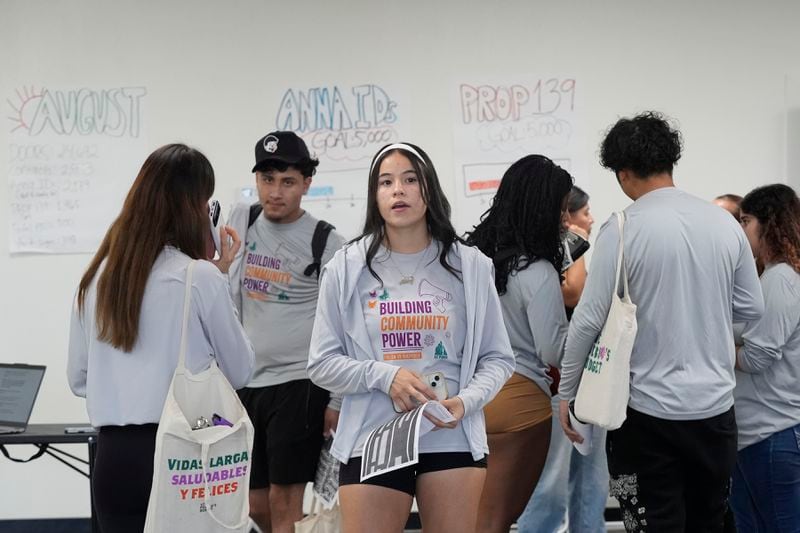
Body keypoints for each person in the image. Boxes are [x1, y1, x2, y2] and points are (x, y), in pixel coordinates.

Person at [558, 112, 764, 532]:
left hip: (646, 417)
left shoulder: (622, 228)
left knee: (648, 525)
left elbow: (588, 320)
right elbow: (751, 309)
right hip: (716, 414)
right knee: (709, 523)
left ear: (624, 173)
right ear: (671, 161)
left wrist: (567, 392)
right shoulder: (725, 224)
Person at [308, 142, 515, 533]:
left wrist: (465, 403)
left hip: (450, 438)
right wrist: (385, 376)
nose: (397, 190)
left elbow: (498, 359)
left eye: (409, 180)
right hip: (372, 438)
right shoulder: (346, 268)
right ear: (375, 196)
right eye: (386, 182)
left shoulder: (469, 265)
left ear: (429, 190)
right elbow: (321, 363)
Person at [67, 143, 255, 533]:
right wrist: (219, 275)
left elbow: (78, 379)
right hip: (181, 450)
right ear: (193, 207)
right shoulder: (199, 278)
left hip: (113, 458)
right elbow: (240, 372)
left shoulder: (96, 279)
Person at [226, 130, 345, 533]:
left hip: (300, 383)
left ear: (306, 183)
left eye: (288, 182)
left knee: (284, 502)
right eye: (267, 179)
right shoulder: (242, 220)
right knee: (254, 503)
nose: (275, 192)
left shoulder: (327, 243)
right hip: (246, 383)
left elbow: (345, 328)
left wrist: (337, 400)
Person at [465, 155, 571, 533]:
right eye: (561, 209)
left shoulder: (468, 260)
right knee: (497, 521)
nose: (567, 221)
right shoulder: (537, 270)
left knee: (469, 517)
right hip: (520, 402)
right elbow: (552, 350)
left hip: (467, 399)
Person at [517, 185, 609, 533]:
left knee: (591, 479)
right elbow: (574, 292)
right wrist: (577, 240)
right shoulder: (556, 246)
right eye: (584, 212)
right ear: (566, 215)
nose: (591, 218)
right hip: (556, 380)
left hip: (589, 376)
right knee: (551, 480)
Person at [730, 183, 800, 532]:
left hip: (773, 433)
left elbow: (758, 357)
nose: (740, 230)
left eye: (744, 221)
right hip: (755, 434)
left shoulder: (781, 280)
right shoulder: (768, 277)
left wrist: (711, 346)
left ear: (768, 224)